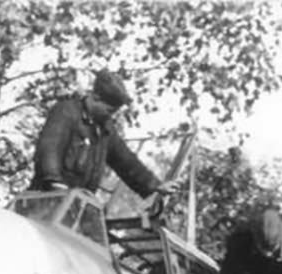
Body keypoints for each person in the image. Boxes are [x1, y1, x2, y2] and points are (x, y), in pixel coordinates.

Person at [29, 70, 175, 205]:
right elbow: (50, 148)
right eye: (108, 110)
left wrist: (155, 186)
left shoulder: (105, 130)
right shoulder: (66, 112)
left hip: (75, 207)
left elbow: (126, 162)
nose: (110, 116)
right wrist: (54, 182)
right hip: (45, 200)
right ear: (95, 97)